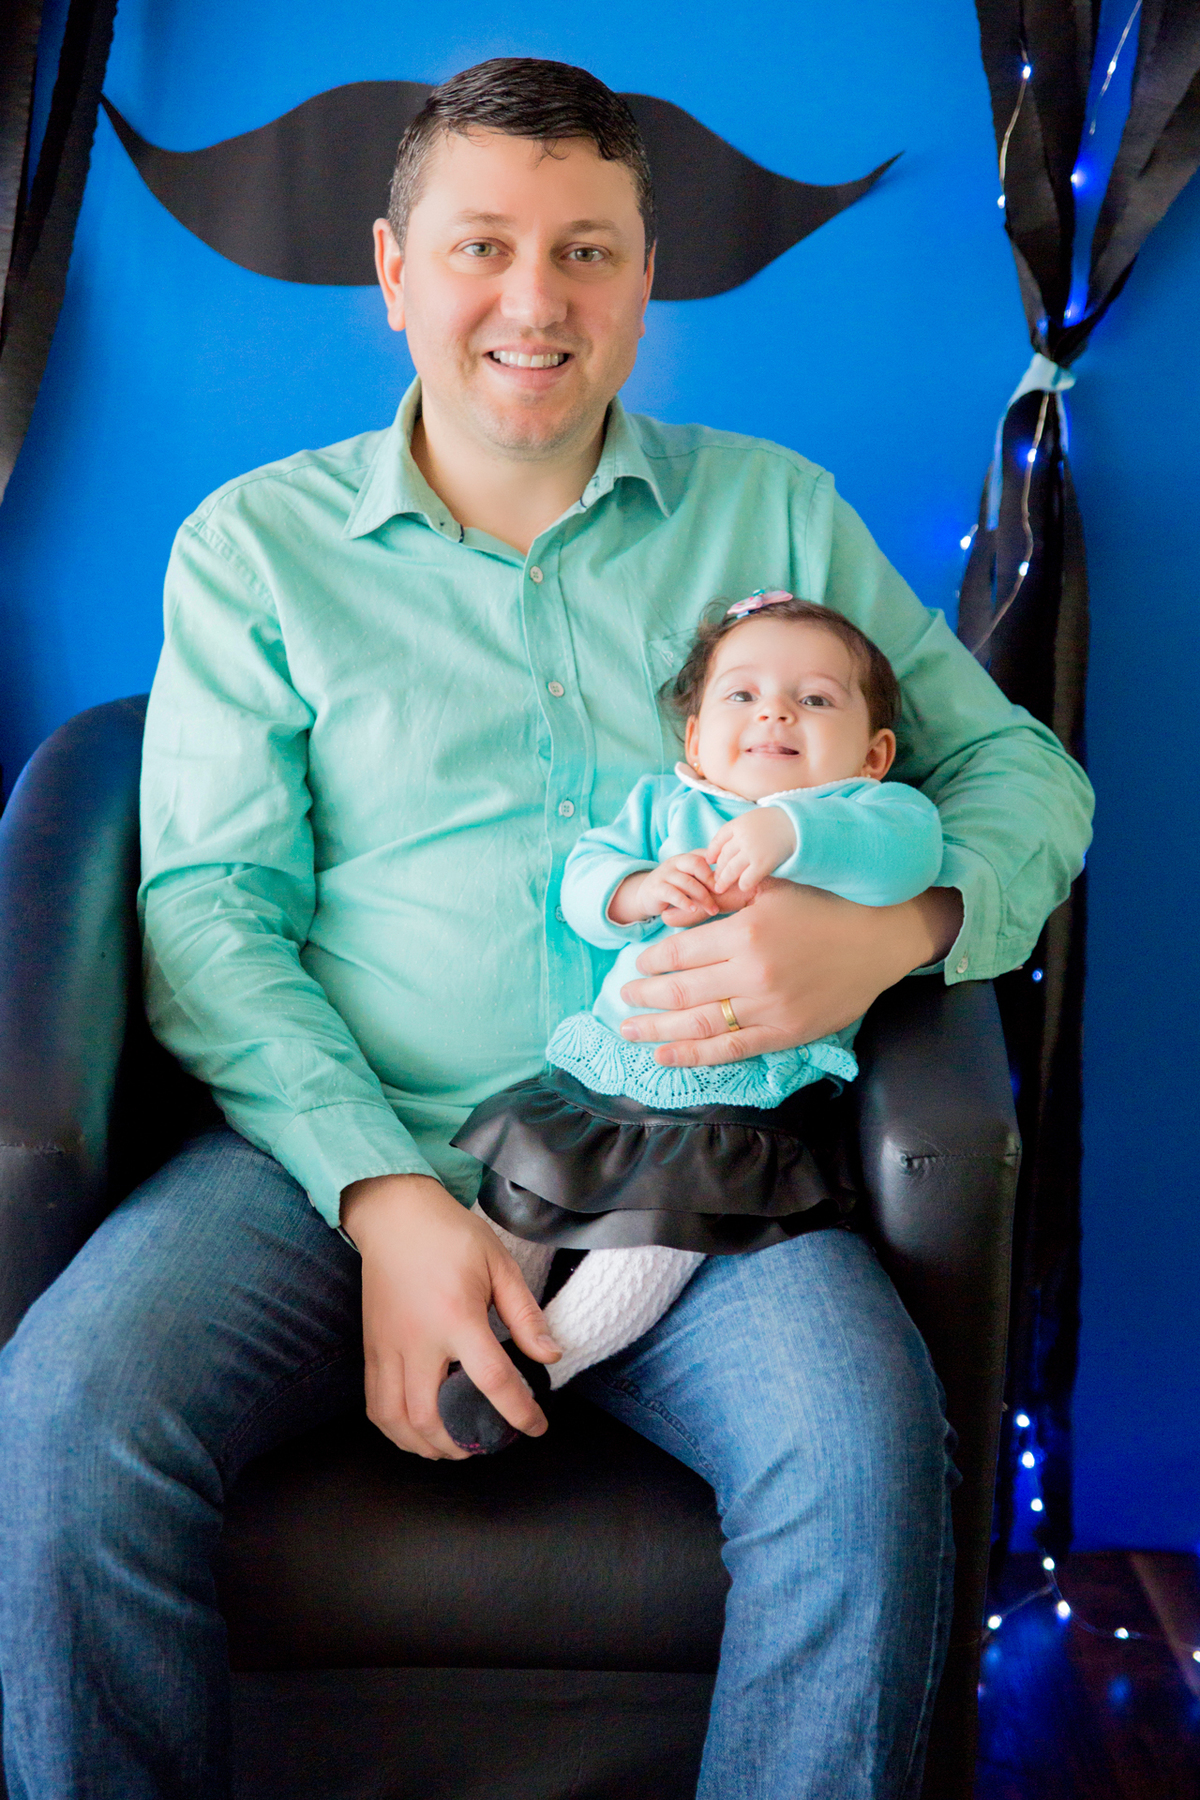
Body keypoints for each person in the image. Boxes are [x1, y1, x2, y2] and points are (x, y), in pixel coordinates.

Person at [0, 55, 1093, 1800]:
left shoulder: (773, 511)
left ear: (647, 278)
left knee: (861, 1454)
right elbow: (212, 915)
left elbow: (1023, 776)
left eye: (588, 251)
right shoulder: (257, 547)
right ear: (393, 270)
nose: (536, 300)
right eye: (482, 246)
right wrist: (388, 1201)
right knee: (60, 1414)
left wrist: (900, 932)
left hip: (697, 1162)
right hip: (326, 1151)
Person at [440, 591, 944, 1452]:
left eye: (815, 698)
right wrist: (636, 890)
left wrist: (788, 832)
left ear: (874, 753)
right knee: (523, 1194)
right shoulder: (664, 807)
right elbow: (583, 880)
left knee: (659, 1237)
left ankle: (546, 1364)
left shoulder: (871, 813)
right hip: (609, 1072)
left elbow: (909, 858)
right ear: (696, 740)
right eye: (742, 695)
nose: (774, 711)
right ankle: (476, 1345)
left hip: (731, 1109)